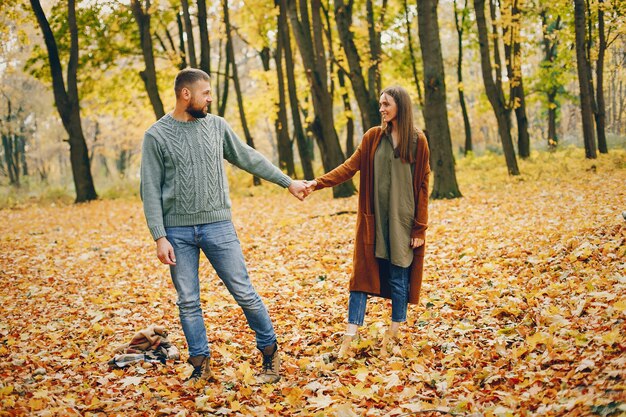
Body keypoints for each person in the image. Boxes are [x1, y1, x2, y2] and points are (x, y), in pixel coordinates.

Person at [140, 68, 309, 387]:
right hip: (177, 233)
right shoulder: (156, 136)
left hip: (218, 225)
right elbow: (150, 188)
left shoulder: (216, 127)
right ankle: (200, 364)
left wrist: (287, 182)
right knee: (188, 300)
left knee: (244, 292)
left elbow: (248, 158)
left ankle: (270, 353)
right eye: (205, 93)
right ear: (185, 94)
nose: (210, 99)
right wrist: (159, 236)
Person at [306, 86, 430, 358]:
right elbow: (349, 167)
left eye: (386, 104)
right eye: (380, 105)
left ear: (401, 106)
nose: (382, 109)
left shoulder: (418, 141)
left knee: (399, 276)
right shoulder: (373, 137)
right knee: (361, 277)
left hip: (402, 221)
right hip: (373, 221)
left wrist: (419, 227)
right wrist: (317, 183)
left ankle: (394, 332)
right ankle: (350, 336)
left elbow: (422, 185)